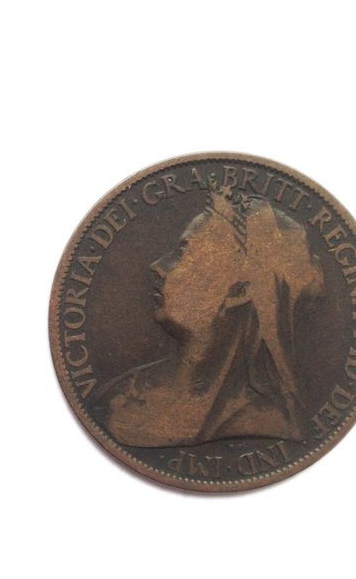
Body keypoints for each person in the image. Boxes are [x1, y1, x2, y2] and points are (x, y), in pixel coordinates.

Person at [99, 176, 324, 447]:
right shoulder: (122, 393)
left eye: (183, 252)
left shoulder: (266, 420)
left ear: (240, 291)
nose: (157, 266)